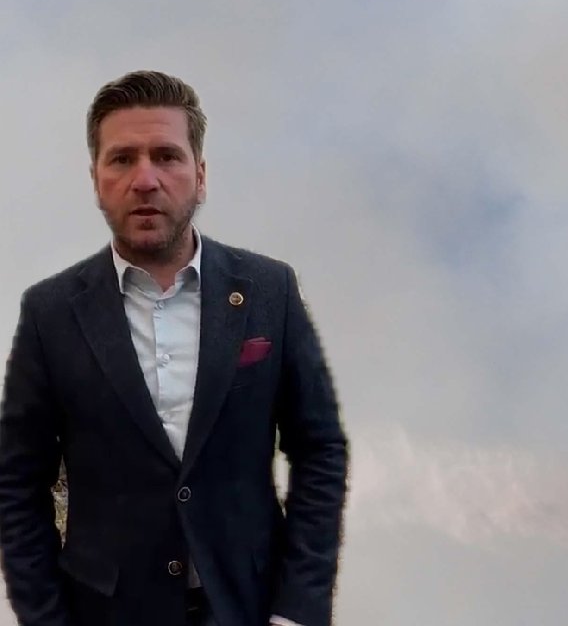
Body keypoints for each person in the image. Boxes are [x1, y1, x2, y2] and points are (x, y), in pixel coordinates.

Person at [0, 70, 349, 626]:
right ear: (96, 179)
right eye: (122, 159)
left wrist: (299, 610)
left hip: (247, 607)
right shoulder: (50, 312)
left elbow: (320, 449)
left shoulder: (269, 291)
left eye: (166, 156)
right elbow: (16, 483)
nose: (145, 179)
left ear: (200, 175)